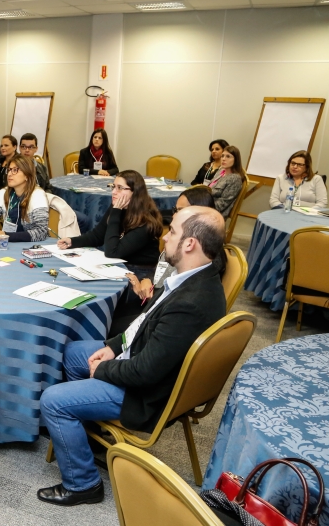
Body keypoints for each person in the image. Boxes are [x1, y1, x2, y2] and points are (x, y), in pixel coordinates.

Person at [37, 206, 227, 506]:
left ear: (190, 244)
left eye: (173, 231)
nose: (165, 237)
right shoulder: (195, 277)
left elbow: (144, 372)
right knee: (74, 352)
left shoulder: (191, 304)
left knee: (52, 400)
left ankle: (83, 483)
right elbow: (144, 322)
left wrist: (102, 369)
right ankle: (87, 434)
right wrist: (113, 346)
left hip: (146, 394)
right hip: (142, 360)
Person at [112, 186, 224, 336]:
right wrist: (147, 280)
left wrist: (153, 291)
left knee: (111, 323)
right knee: (113, 309)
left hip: (161, 311)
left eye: (181, 211)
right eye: (175, 209)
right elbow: (162, 267)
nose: (174, 215)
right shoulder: (180, 243)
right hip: (154, 298)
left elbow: (181, 292)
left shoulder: (208, 257)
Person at [57, 170, 162, 278]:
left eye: (120, 188)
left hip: (142, 271)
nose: (114, 192)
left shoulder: (146, 222)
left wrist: (116, 212)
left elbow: (112, 251)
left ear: (135, 192)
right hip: (120, 264)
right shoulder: (117, 207)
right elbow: (97, 236)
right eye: (113, 186)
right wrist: (72, 241)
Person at [0, 155, 49, 243]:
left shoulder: (37, 195)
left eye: (15, 170)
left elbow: (41, 232)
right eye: (9, 170)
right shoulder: (3, 192)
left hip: (32, 245)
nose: (10, 174)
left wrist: (7, 235)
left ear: (27, 175)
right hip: (8, 243)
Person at [209, 145, 246, 218]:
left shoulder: (235, 179)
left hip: (214, 214)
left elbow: (222, 204)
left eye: (228, 156)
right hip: (206, 204)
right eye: (222, 156)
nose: (223, 159)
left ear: (236, 160)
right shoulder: (221, 171)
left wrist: (201, 205)